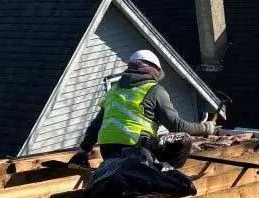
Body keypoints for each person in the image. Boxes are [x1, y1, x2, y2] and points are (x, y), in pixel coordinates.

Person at [73, 49, 217, 169]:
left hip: (108, 151)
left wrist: (83, 151)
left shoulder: (114, 90)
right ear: (154, 70)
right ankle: (165, 174)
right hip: (137, 150)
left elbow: (95, 126)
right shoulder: (154, 90)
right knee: (183, 139)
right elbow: (177, 126)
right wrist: (206, 128)